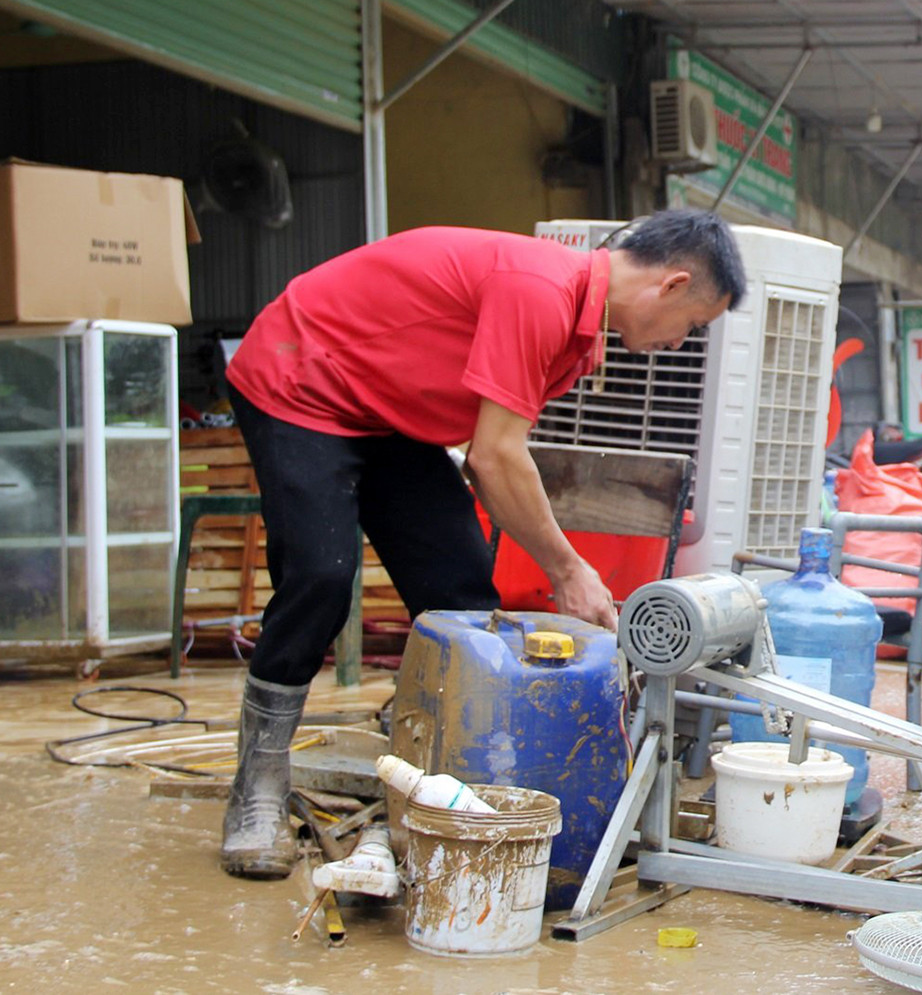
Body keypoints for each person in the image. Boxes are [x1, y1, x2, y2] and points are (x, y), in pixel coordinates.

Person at [217, 210, 746, 879]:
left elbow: (487, 458)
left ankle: (443, 785)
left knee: (461, 590)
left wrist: (561, 565)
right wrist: (568, 569)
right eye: (692, 327)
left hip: (384, 411)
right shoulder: (540, 291)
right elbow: (496, 458)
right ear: (670, 286)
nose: (679, 344)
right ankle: (257, 785)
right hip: (300, 378)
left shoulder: (580, 331)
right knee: (322, 574)